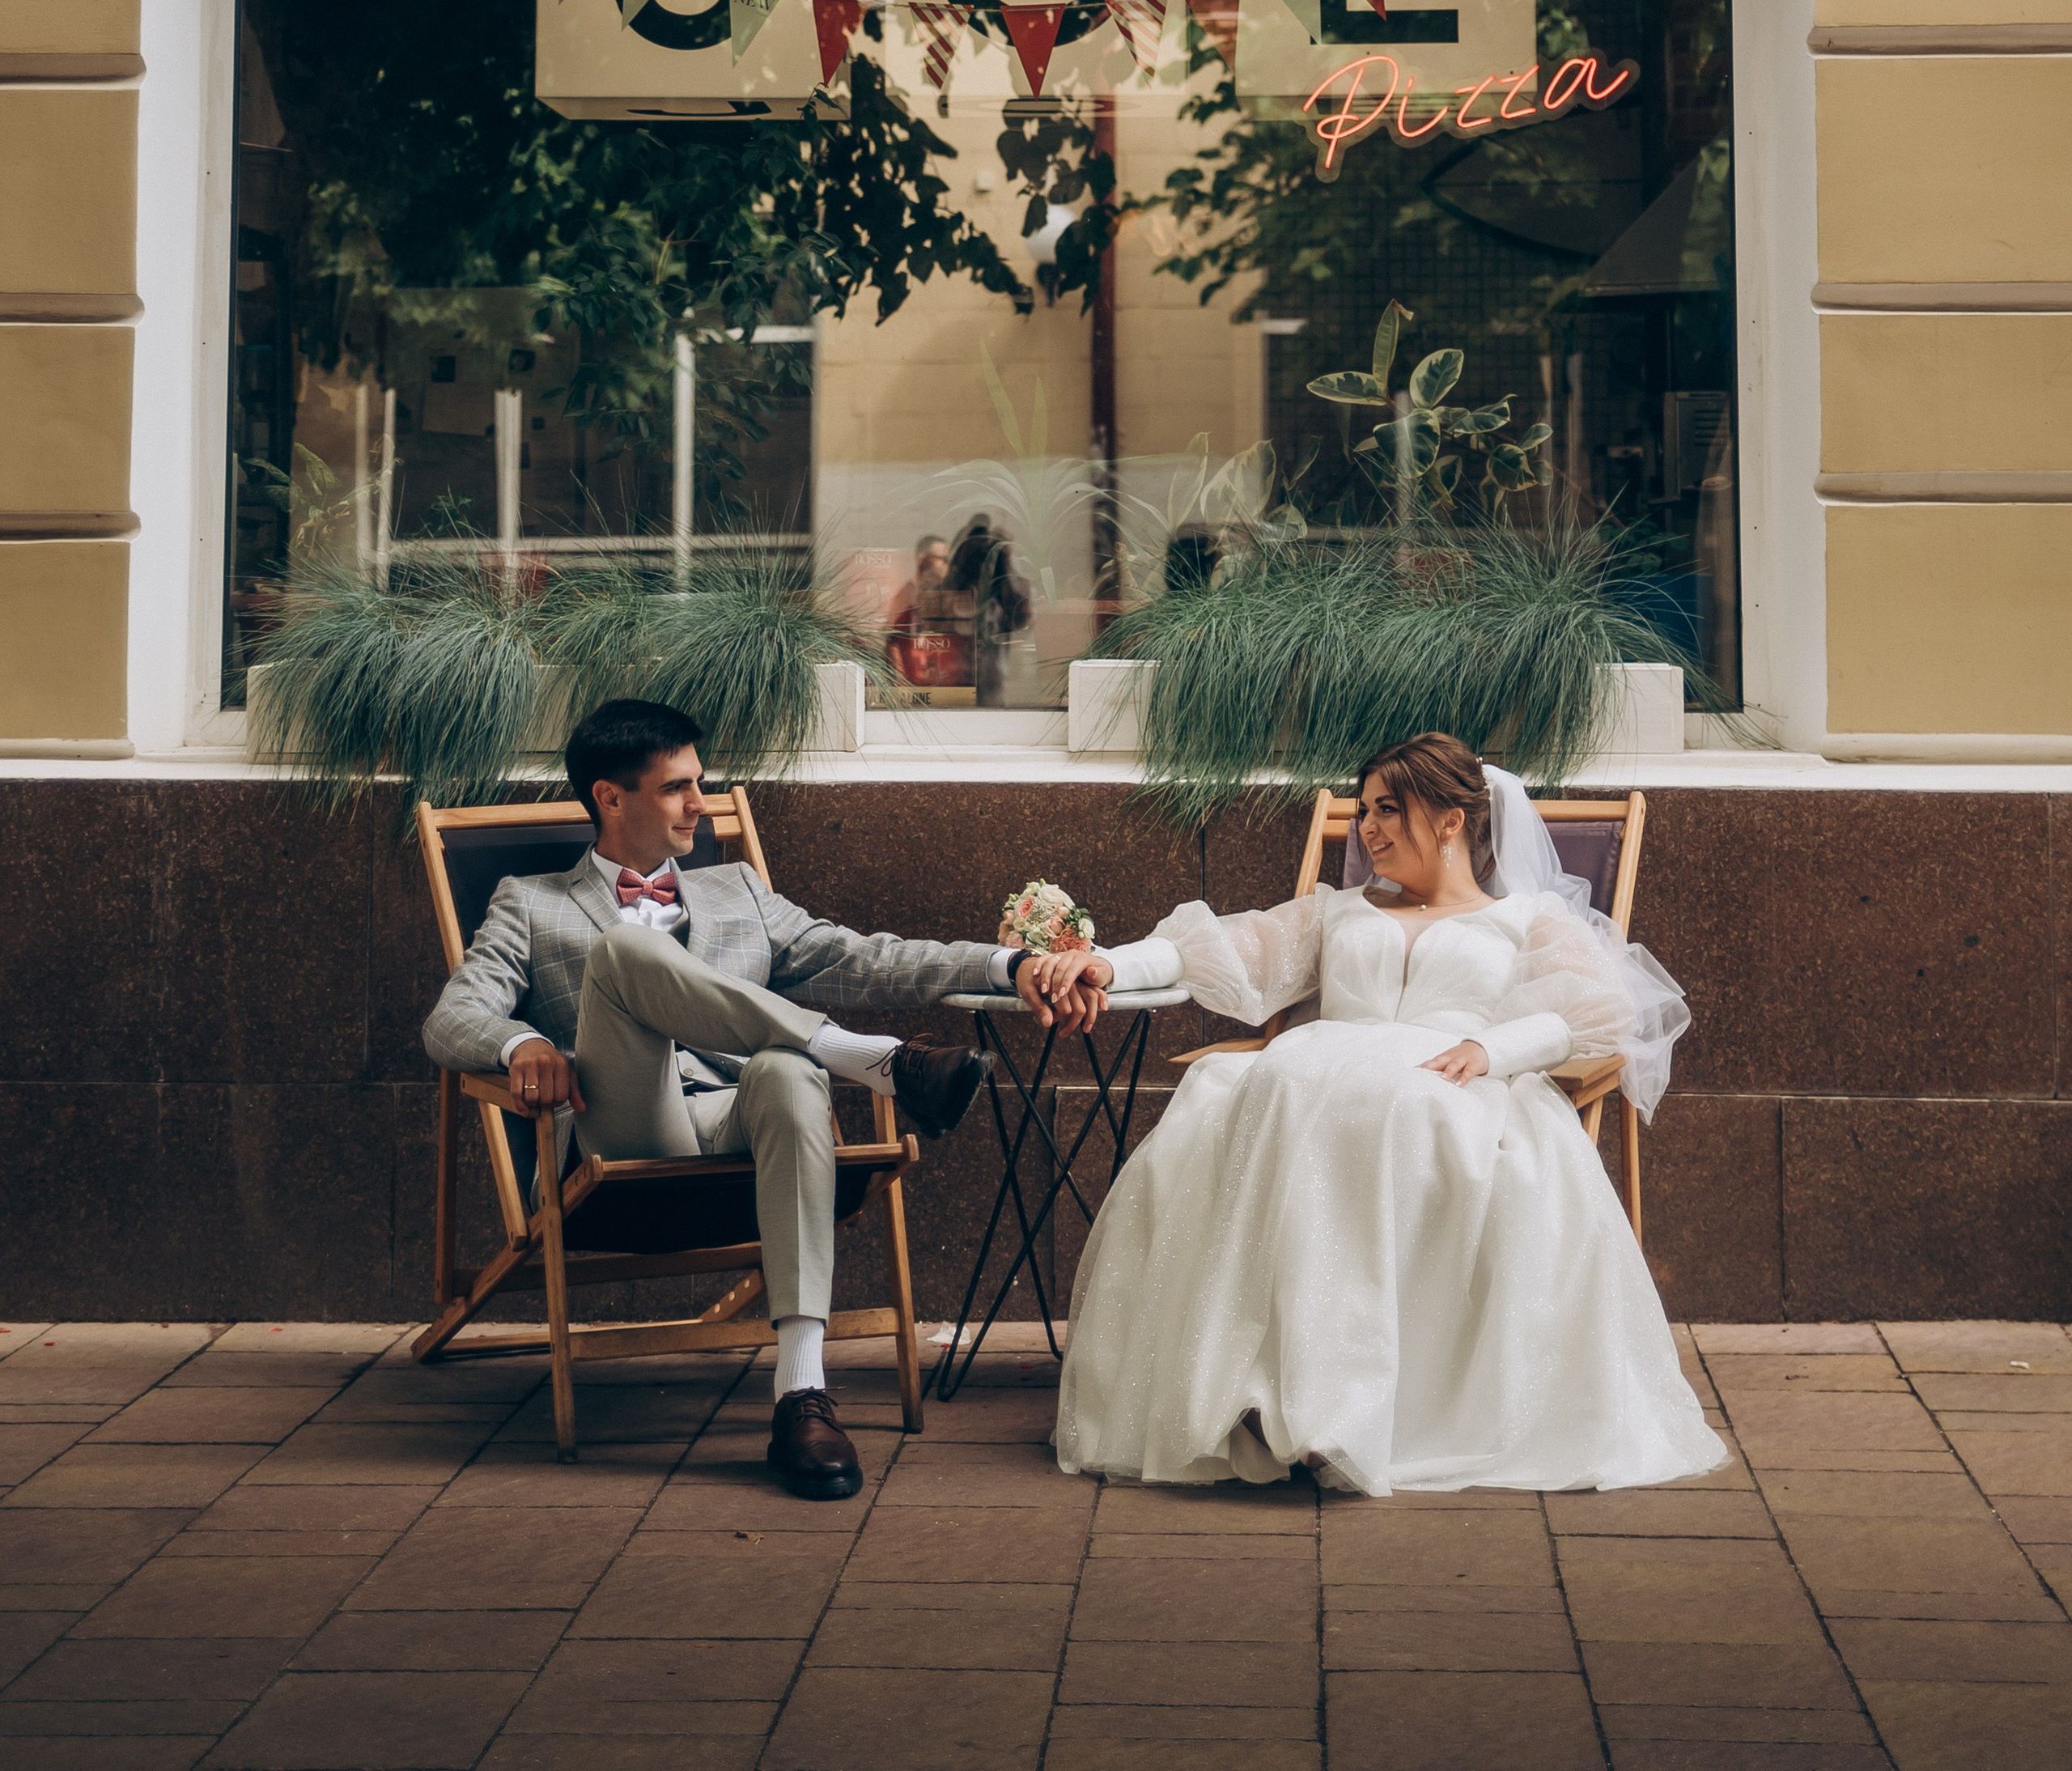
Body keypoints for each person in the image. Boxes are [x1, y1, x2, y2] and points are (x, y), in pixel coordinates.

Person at [1028, 733, 1726, 1497]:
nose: (1369, 829)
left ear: (1453, 818)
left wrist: (1492, 1048)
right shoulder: (1336, 911)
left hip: (1444, 1084)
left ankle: (1335, 1412)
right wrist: (1110, 963)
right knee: (1272, 1088)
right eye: (1364, 811)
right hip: (1314, 1076)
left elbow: (1602, 1010)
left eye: (1390, 810)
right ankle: (1258, 1394)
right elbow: (1220, 950)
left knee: (1389, 1108)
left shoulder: (1523, 919)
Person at [422, 697, 1071, 1501]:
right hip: (624, 1133)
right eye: (677, 788)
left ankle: (801, 1393)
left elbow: (871, 958)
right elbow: (453, 1017)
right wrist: (522, 1043)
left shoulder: (738, 890)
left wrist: (1009, 966)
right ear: (609, 797)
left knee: (787, 1072)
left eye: (701, 783)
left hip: (740, 1125)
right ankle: (877, 1062)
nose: (702, 803)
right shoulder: (532, 901)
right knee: (627, 949)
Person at [945, 512, 1031, 704]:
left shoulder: (1001, 601)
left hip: (993, 687)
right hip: (954, 688)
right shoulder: (954, 596)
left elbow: (1020, 619)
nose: (980, 564)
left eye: (989, 558)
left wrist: (1006, 561)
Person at [885, 533, 970, 689]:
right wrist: (900, 684)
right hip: (915, 689)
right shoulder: (907, 596)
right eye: (942, 559)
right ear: (922, 558)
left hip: (949, 689)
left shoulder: (944, 595)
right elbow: (892, 641)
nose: (948, 565)